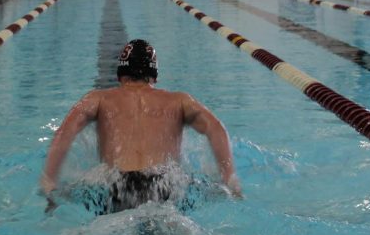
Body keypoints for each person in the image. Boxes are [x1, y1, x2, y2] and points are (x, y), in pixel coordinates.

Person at [39, 39, 241, 213]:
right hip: (165, 184)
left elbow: (65, 132)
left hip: (119, 186)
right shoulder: (179, 101)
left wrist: (49, 182)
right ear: (154, 76)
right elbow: (216, 128)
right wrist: (229, 178)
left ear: (120, 74)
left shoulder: (98, 99)